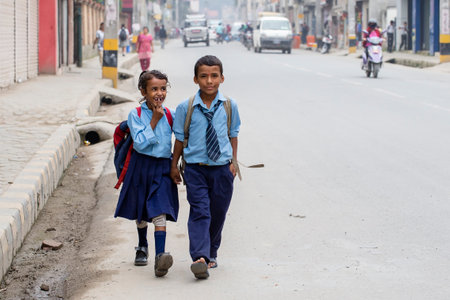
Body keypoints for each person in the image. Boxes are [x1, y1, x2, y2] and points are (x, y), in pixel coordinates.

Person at [170, 55, 241, 280]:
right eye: (204, 76)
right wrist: (174, 166)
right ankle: (199, 257)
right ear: (195, 79)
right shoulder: (186, 107)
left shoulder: (229, 106)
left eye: (214, 76)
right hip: (195, 169)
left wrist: (234, 163)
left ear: (222, 78)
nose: (209, 81)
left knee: (218, 213)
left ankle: (211, 252)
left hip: (222, 169)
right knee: (200, 211)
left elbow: (233, 135)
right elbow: (180, 140)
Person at [114, 70, 179, 277]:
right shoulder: (136, 114)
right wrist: (154, 121)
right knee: (141, 210)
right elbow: (140, 144)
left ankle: (161, 257)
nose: (159, 93)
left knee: (159, 210)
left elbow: (181, 137)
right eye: (154, 89)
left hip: (161, 168)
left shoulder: (170, 114)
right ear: (143, 91)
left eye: (162, 89)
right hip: (140, 166)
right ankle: (142, 245)